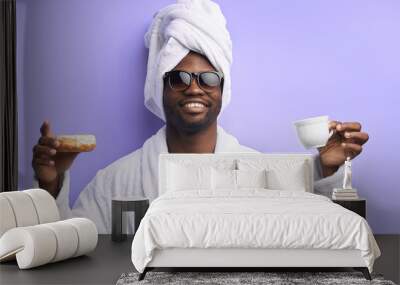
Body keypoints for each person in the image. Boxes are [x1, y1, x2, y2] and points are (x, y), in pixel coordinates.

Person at [31, 0, 369, 234]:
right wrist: (52, 184)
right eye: (178, 77)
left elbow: (308, 229)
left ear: (222, 89)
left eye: (208, 78)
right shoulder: (117, 181)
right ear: (159, 87)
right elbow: (72, 242)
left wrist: (325, 169)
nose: (195, 89)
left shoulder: (257, 169)